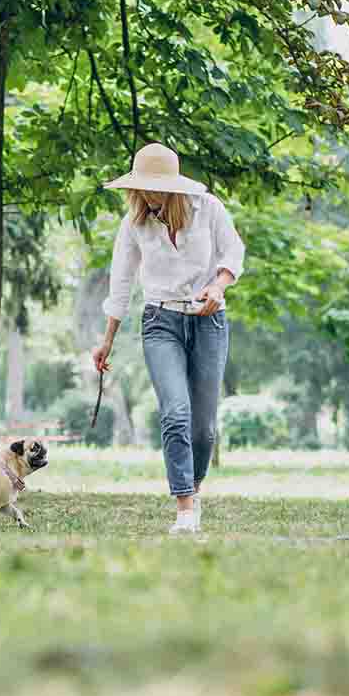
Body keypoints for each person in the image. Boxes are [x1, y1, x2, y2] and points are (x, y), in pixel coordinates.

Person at [92, 143, 246, 534]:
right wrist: (106, 339)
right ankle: (184, 507)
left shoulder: (207, 208)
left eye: (156, 186)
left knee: (204, 426)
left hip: (209, 321)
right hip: (161, 321)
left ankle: (194, 490)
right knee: (175, 412)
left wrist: (218, 287)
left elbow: (234, 252)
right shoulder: (134, 223)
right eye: (143, 186)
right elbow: (121, 282)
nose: (149, 193)